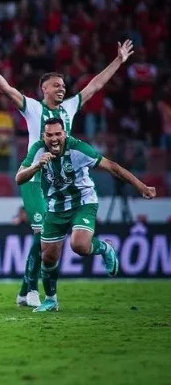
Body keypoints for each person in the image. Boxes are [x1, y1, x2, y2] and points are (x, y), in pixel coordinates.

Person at [0, 40, 134, 307]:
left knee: (47, 239)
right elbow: (6, 89)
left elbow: (95, 85)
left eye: (63, 85)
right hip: (34, 175)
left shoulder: (69, 108)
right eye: (56, 85)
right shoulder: (33, 108)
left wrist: (119, 60)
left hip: (56, 181)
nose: (62, 88)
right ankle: (32, 291)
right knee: (40, 232)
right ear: (43, 89)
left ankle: (25, 292)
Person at [16, 118, 156, 312]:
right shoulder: (38, 150)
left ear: (64, 134)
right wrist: (36, 166)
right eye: (50, 135)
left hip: (83, 202)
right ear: (43, 136)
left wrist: (141, 187)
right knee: (48, 256)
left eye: (58, 134)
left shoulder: (79, 149)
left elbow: (112, 166)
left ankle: (105, 248)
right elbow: (19, 178)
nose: (54, 139)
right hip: (56, 207)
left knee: (79, 245)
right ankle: (51, 300)